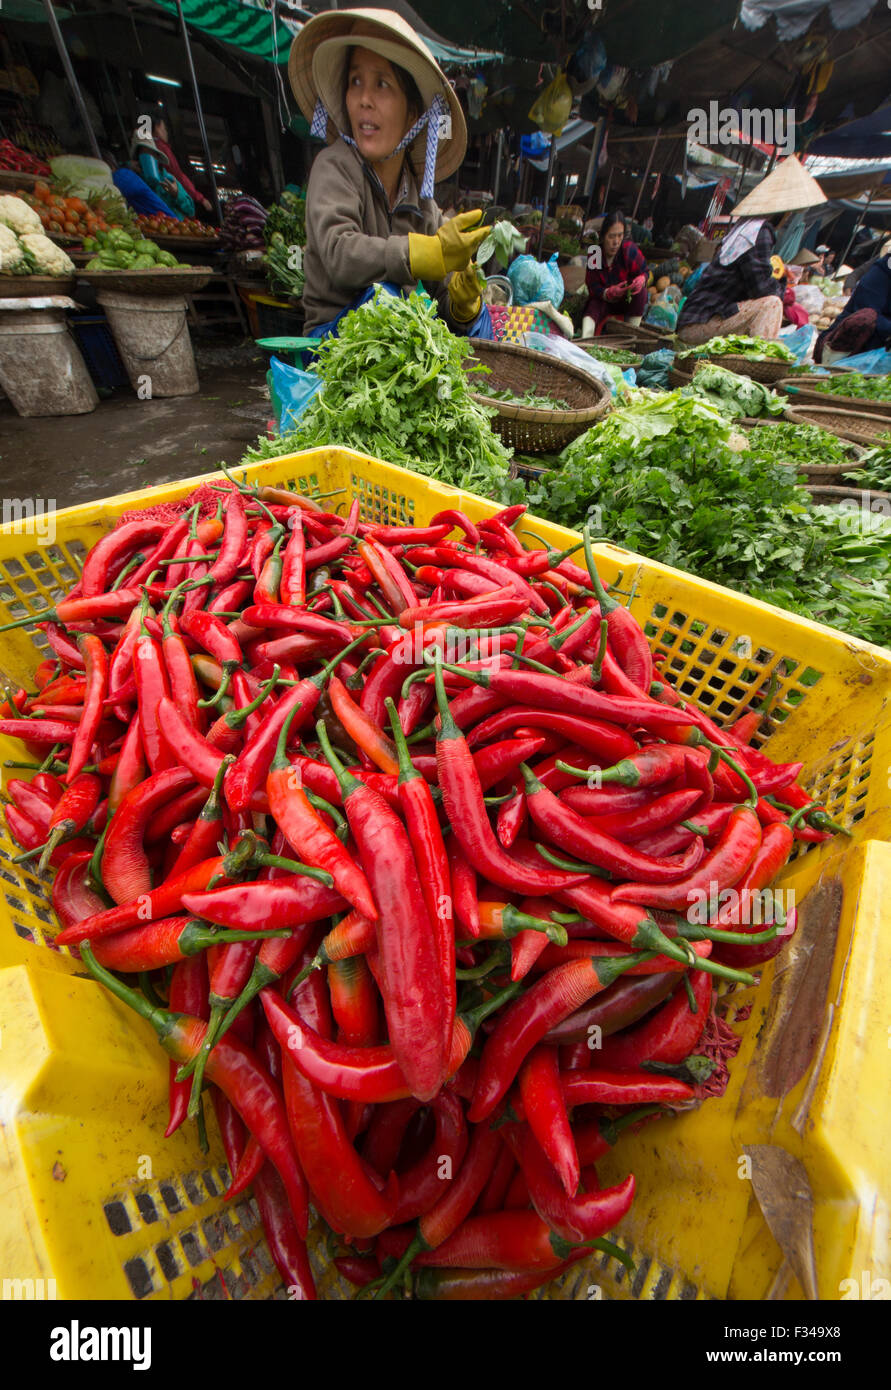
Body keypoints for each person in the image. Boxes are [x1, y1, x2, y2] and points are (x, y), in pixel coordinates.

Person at [287, 8, 491, 340]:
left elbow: (441, 293)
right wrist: (418, 254)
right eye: (355, 82)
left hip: (395, 342)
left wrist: (462, 303)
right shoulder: (334, 166)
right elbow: (340, 253)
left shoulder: (421, 202)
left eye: (382, 84)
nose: (364, 100)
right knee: (392, 306)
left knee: (480, 319)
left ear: (413, 114)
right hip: (330, 339)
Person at [677, 156, 826, 346]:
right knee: (771, 304)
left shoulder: (745, 227)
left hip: (695, 321)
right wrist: (781, 281)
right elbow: (762, 290)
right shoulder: (759, 232)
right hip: (698, 326)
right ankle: (758, 363)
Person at [815, 243, 891, 364]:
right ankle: (835, 366)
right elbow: (869, 313)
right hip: (847, 347)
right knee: (866, 317)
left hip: (881, 346)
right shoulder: (881, 272)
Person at [581, 211, 648, 336]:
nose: (616, 242)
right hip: (604, 302)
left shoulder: (629, 250)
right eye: (611, 236)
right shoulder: (594, 253)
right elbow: (592, 286)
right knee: (593, 304)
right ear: (603, 236)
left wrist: (642, 279)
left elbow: (645, 271)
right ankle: (586, 339)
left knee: (642, 293)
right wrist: (607, 293)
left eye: (619, 236)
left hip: (625, 304)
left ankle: (631, 335)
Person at [129, 120, 194, 220]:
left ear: (156, 157)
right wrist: (127, 166)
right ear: (137, 159)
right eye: (143, 154)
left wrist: (176, 194)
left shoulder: (168, 179)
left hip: (173, 229)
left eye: (151, 154)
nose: (148, 157)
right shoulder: (132, 179)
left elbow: (191, 210)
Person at [152, 116, 213, 215]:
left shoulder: (152, 151)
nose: (166, 133)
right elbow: (178, 176)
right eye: (164, 129)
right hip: (172, 208)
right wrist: (200, 198)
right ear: (157, 128)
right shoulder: (161, 148)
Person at [99, 146, 180, 220]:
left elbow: (106, 194)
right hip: (153, 224)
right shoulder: (129, 174)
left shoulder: (122, 175)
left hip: (166, 223)